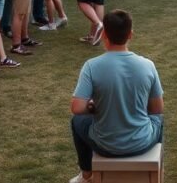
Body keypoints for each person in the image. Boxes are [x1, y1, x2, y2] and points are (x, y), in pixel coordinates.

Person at [69, 9, 164, 183]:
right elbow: (157, 108)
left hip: (105, 145)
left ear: (104, 33)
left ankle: (86, 174)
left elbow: (77, 108)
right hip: (142, 142)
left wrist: (91, 105)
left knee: (77, 121)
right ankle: (158, 172)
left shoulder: (91, 66)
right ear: (131, 35)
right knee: (158, 118)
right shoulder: (148, 65)